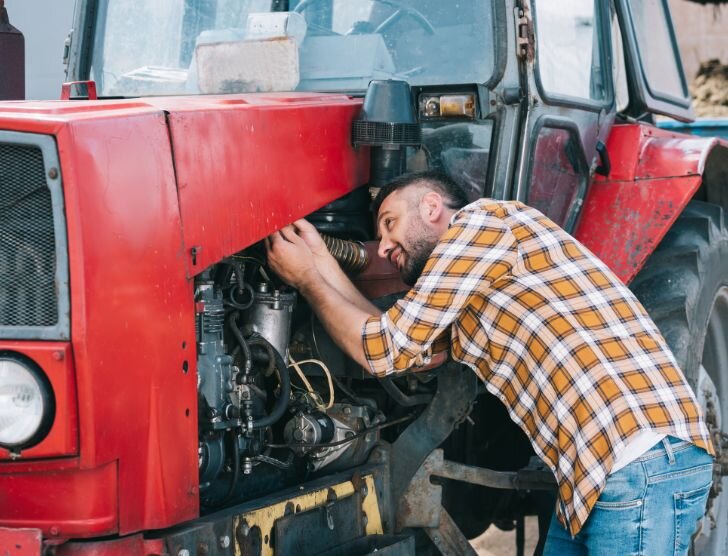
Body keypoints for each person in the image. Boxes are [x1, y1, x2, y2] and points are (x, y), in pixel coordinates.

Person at [266, 171, 715, 554]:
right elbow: (388, 339)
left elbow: (383, 348)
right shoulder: (475, 291)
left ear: (431, 206)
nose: (383, 247)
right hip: (595, 477)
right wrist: (320, 262)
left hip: (636, 465)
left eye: (389, 223)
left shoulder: (483, 225)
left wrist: (308, 276)